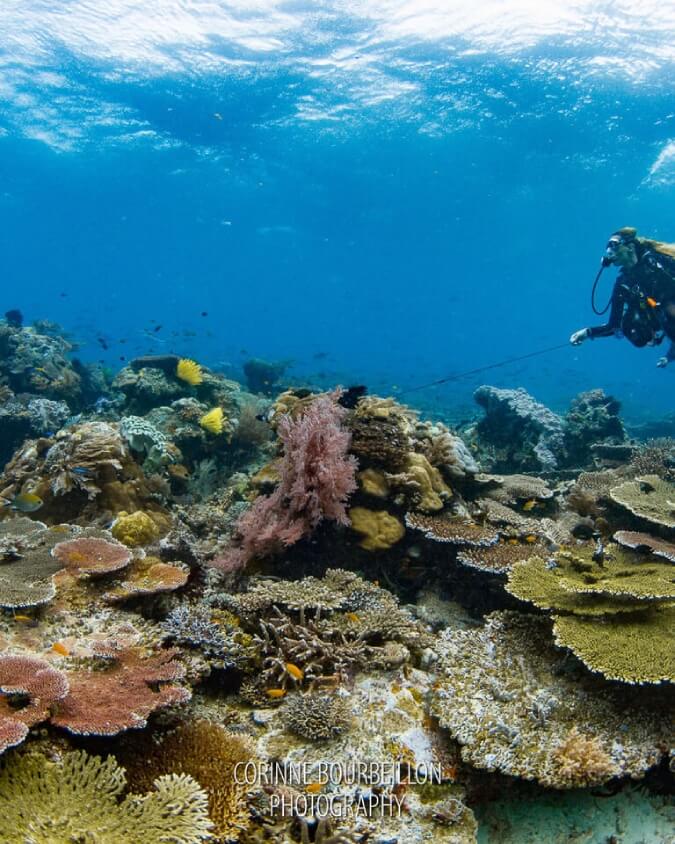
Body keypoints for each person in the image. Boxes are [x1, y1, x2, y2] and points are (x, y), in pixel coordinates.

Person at [570, 227, 675, 368]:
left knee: (669, 310)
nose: (610, 251)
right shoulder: (624, 284)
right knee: (630, 326)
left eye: (614, 245)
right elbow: (613, 326)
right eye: (608, 247)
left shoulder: (656, 261)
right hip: (664, 321)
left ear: (629, 247)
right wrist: (587, 333)